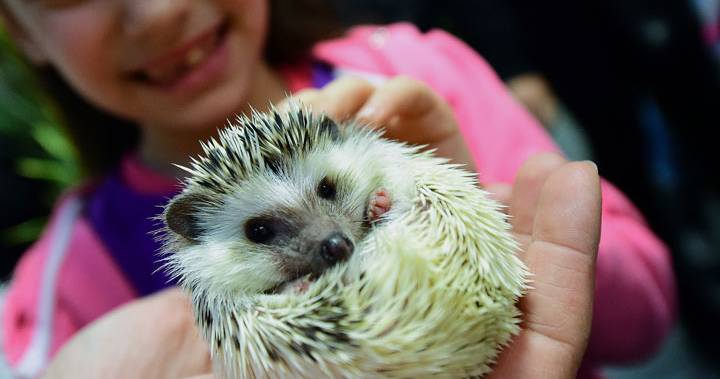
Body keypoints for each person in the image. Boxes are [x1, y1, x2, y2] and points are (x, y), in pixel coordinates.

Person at [0, 1, 674, 378]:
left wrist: (491, 220)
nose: (158, 10)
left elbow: (649, 316)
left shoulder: (412, 71)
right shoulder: (65, 284)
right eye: (262, 230)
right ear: (19, 29)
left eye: (327, 189)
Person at [40, 153, 601, 379]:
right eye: (261, 231)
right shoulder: (72, 263)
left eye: (329, 191)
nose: (329, 236)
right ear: (192, 242)